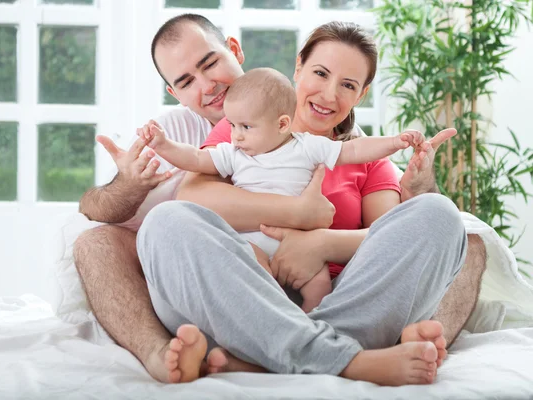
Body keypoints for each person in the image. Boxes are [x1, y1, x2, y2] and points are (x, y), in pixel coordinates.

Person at [74, 14, 486, 385]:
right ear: (298, 69)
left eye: (347, 85)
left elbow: (385, 236)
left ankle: (258, 357)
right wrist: (300, 215)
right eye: (320, 74)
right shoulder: (248, 127)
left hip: (340, 297)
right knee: (166, 222)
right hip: (242, 293)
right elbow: (194, 196)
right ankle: (350, 359)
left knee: (440, 214)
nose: (329, 93)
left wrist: (319, 243)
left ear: (360, 95)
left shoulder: (361, 157)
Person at [142, 67, 426, 312]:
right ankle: (275, 315)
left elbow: (352, 149)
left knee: (320, 285)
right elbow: (194, 159)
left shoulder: (306, 146)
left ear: (281, 124)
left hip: (303, 246)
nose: (236, 134)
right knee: (249, 266)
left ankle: (313, 322)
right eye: (232, 125)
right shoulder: (234, 153)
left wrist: (393, 142)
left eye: (246, 127)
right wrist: (163, 146)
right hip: (253, 240)